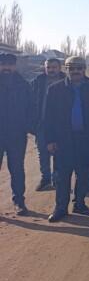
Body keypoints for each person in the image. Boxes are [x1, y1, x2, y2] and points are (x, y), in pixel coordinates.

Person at [45, 56, 89, 222]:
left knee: (84, 175)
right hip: (63, 141)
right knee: (62, 176)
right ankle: (60, 208)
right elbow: (48, 117)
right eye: (71, 68)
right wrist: (49, 140)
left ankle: (79, 203)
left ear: (84, 69)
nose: (75, 71)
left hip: (87, 140)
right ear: (66, 69)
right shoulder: (55, 89)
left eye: (79, 68)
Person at [0, 53, 33, 215]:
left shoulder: (24, 85)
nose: (6, 67)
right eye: (3, 64)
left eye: (10, 64)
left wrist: (26, 126)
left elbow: (30, 108)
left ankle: (19, 201)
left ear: (15, 65)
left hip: (16, 135)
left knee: (17, 169)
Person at [30, 58, 65, 191]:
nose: (51, 70)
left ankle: (57, 179)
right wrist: (32, 122)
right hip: (42, 124)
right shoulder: (37, 82)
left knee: (59, 153)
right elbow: (30, 103)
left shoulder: (66, 82)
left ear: (59, 68)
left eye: (54, 67)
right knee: (43, 153)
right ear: (44, 68)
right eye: (48, 67)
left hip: (60, 125)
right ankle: (45, 179)